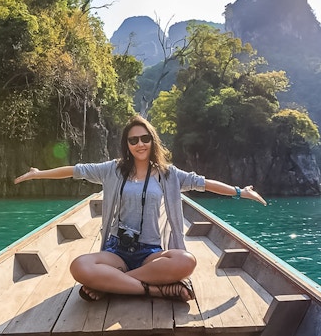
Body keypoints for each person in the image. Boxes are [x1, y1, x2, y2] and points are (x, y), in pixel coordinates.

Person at [14, 114, 267, 303]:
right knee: (79, 266)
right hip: (117, 250)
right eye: (133, 140)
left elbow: (204, 183)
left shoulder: (169, 175)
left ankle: (113, 283)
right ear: (127, 144)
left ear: (152, 141)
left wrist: (239, 192)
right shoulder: (112, 169)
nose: (140, 144)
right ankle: (155, 289)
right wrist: (38, 174)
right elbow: (75, 170)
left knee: (185, 260)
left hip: (150, 252)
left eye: (145, 138)